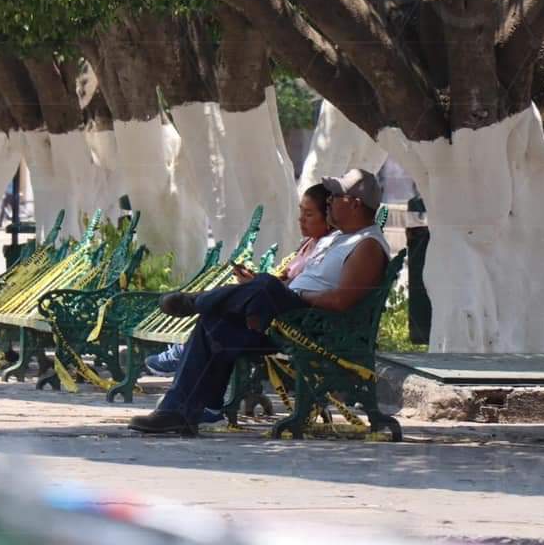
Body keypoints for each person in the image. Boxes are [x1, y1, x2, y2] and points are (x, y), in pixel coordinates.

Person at [129, 168, 390, 435]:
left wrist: (290, 295)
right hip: (287, 318)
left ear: (355, 204)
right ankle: (179, 411)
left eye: (336, 196)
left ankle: (196, 302)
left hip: (313, 327)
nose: (330, 201)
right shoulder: (339, 239)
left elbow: (341, 301)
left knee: (266, 285)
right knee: (217, 321)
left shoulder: (367, 245)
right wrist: (267, 290)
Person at [143, 183, 338, 376]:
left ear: (329, 217)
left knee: (248, 296)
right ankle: (190, 358)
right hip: (269, 307)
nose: (301, 219)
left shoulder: (328, 249)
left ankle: (195, 304)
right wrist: (252, 281)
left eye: (309, 214)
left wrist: (263, 284)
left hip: (290, 321)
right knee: (225, 310)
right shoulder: (308, 244)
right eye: (301, 212)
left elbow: (295, 290)